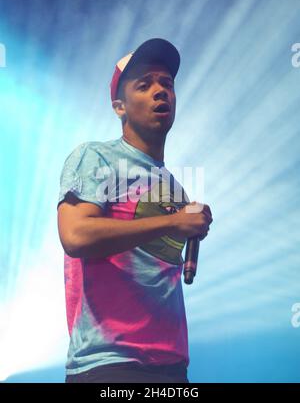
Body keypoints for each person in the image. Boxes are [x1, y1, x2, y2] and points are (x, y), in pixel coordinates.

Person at [57, 38, 213, 383]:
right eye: (145, 85)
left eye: (167, 84)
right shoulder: (96, 157)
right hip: (108, 363)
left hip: (172, 367)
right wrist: (174, 221)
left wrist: (189, 227)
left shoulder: (174, 188)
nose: (161, 91)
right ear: (119, 106)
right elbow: (76, 235)